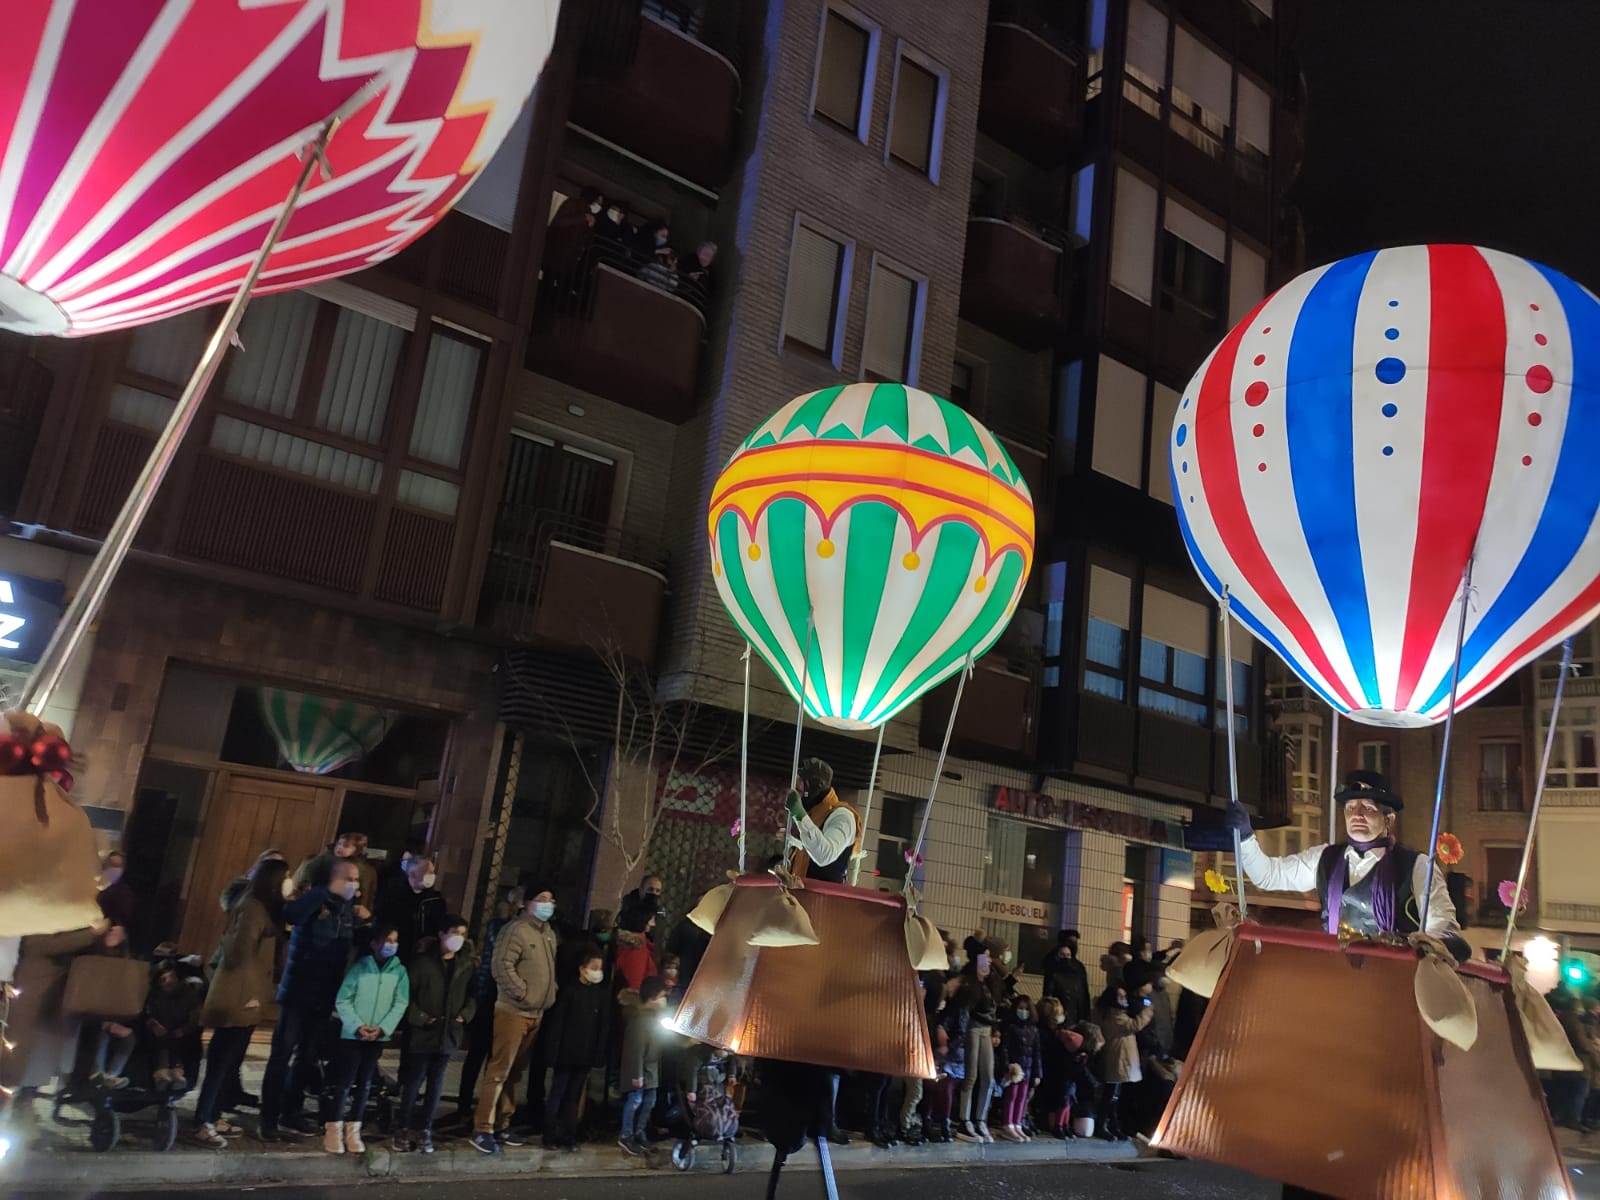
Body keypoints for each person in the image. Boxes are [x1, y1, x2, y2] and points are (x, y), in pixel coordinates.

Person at [1229, 769, 1467, 954]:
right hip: (1336, 979)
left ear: (1389, 819)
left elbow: (1442, 928)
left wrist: (1424, 948)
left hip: (1392, 984)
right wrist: (1246, 838)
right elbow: (1268, 876)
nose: (1357, 814)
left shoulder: (1418, 867)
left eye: (1368, 808)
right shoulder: (1324, 858)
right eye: (1351, 807)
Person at [259, 857, 367, 1140]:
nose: (355, 884)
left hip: (324, 993)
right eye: (350, 878)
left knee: (307, 1056)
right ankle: (268, 1117)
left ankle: (291, 1110)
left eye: (357, 880)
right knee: (282, 1053)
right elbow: (292, 916)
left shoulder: (347, 910)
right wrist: (322, 892)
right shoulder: (314, 901)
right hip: (299, 991)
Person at [194, 858, 288, 1148]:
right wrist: (250, 993)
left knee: (231, 1058)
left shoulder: (261, 908)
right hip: (240, 994)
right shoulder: (251, 908)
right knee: (221, 1059)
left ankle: (213, 1113)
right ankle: (202, 1121)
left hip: (249, 994)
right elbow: (238, 952)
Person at [471, 887, 558, 1155]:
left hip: (536, 1013)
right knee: (499, 1070)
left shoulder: (548, 934)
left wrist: (547, 992)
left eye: (550, 900)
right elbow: (501, 966)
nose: (548, 904)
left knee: (515, 1073)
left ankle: (502, 1122)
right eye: (541, 899)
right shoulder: (515, 930)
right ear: (526, 903)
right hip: (513, 1011)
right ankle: (482, 1127)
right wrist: (522, 993)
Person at [324, 924, 410, 1155]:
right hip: (353, 1034)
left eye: (394, 940)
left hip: (378, 1036)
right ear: (373, 943)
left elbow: (400, 1002)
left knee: (365, 1084)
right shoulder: (360, 968)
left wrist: (383, 1028)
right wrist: (357, 1025)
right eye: (386, 940)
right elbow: (343, 999)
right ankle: (333, 1128)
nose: (390, 945)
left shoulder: (399, 972)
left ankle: (354, 1129)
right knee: (344, 1083)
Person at [395, 916, 476, 1153]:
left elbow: (472, 995)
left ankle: (424, 1128)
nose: (458, 938)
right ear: (441, 933)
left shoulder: (466, 965)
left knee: (436, 1083)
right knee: (414, 1080)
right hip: (424, 1031)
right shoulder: (422, 963)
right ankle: (403, 1126)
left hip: (449, 1031)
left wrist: (465, 1015)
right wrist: (420, 1018)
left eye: (462, 933)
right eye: (454, 932)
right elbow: (406, 996)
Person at [457, 885, 522, 1116]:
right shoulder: (500, 926)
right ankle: (464, 1104)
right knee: (477, 1053)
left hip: (507, 1002)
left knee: (496, 1058)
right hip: (489, 996)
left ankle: (486, 1107)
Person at [540, 945, 610, 1151]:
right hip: (565, 1052)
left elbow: (602, 1027)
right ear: (582, 969)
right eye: (593, 967)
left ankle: (568, 1134)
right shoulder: (569, 991)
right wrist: (552, 1052)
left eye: (600, 968)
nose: (597, 972)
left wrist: (599, 1054)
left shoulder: (600, 995)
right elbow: (558, 1024)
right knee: (558, 1093)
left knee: (573, 1096)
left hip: (585, 1054)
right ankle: (549, 1134)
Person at [785, 757, 860, 884]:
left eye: (800, 783)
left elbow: (824, 855)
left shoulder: (842, 817)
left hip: (824, 900)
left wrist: (800, 815)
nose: (795, 788)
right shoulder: (815, 815)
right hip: (801, 893)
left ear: (814, 787)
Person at [618, 975, 668, 1156]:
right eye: (662, 996)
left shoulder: (655, 1019)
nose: (664, 1000)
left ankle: (640, 1132)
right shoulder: (639, 1020)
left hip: (651, 1069)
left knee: (648, 1102)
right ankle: (626, 1135)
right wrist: (636, 1074)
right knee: (635, 1101)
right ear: (652, 997)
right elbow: (635, 1050)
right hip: (641, 1070)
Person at [1096, 984, 1153, 1142]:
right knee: (1111, 1095)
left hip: (1120, 1059)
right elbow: (1134, 1025)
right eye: (1120, 996)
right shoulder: (1114, 1015)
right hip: (1117, 1059)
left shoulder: (1115, 1013)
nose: (1124, 999)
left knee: (1114, 1095)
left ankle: (1112, 1125)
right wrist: (1148, 1010)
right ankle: (1103, 1125)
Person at [375, 854, 446, 965]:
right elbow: (382, 921)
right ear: (412, 873)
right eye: (428, 872)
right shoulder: (393, 894)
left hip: (421, 956)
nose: (432, 876)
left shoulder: (435, 900)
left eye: (433, 872)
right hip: (394, 952)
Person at [295, 833, 377, 912]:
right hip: (321, 891)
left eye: (345, 846)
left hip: (343, 900)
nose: (340, 847)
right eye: (338, 844)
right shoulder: (325, 856)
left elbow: (362, 882)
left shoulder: (358, 865)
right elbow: (309, 867)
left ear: (355, 850)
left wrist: (359, 895)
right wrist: (305, 882)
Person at [997, 996, 1041, 1142]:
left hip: (1027, 1069)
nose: (1023, 1012)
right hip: (1014, 1069)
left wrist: (1037, 1073)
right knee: (1011, 1096)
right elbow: (1004, 1049)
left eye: (1026, 1009)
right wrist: (1007, 1066)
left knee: (1022, 1097)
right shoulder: (1010, 1028)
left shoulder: (1033, 1030)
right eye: (1020, 1008)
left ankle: (1017, 1123)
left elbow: (1036, 1052)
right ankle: (1007, 1124)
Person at [1040, 930, 1092, 1026]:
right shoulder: (1052, 965)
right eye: (1071, 941)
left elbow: (1084, 991)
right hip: (1057, 1013)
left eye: (1076, 942)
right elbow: (1048, 992)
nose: (1074, 945)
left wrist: (1085, 1015)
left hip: (1076, 1014)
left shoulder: (1078, 967)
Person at [613, 906, 658, 991]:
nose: (653, 924)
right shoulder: (636, 947)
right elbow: (634, 978)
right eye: (651, 919)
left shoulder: (637, 944)